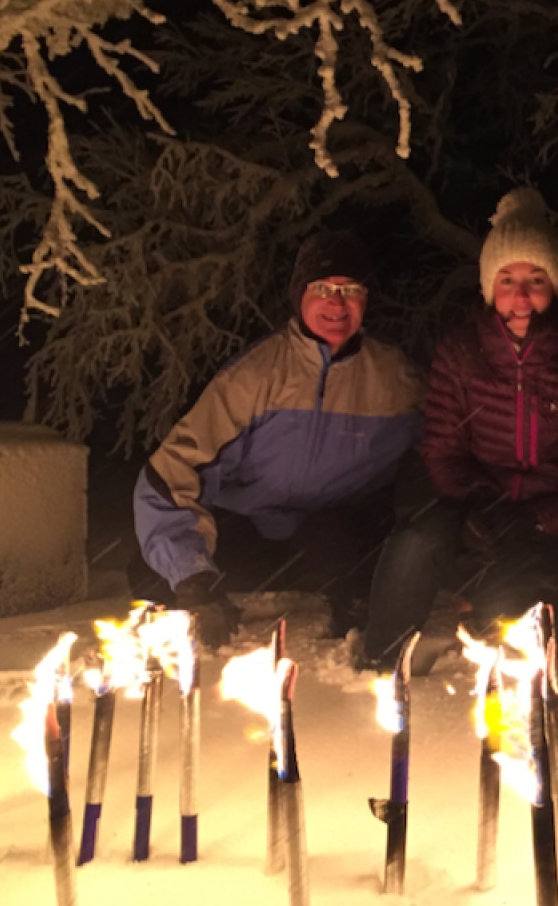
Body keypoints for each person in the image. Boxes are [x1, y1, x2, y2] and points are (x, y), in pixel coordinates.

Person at [134, 230, 424, 649]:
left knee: (343, 543)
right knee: (153, 576)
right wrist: (193, 576)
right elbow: (170, 475)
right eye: (322, 288)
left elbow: (443, 445)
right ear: (298, 295)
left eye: (350, 290)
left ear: (366, 300)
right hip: (250, 532)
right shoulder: (254, 375)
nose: (336, 303)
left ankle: (357, 622)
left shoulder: (396, 380)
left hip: (335, 539)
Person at [357, 187, 558, 671]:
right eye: (507, 280)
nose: (521, 296)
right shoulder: (461, 353)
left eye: (535, 279)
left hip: (554, 524)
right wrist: (481, 506)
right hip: (477, 513)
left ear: (556, 285)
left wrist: (539, 519)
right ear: (490, 288)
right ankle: (382, 663)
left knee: (515, 615)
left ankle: (529, 629)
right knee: (416, 541)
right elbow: (442, 448)